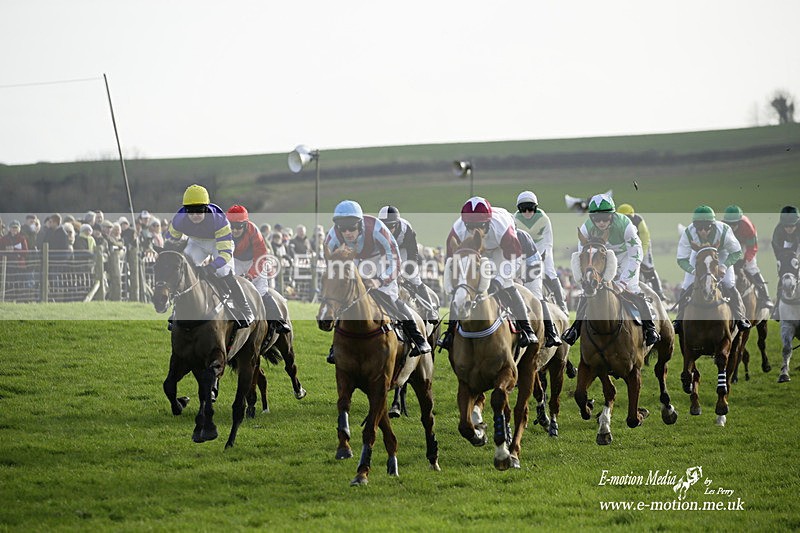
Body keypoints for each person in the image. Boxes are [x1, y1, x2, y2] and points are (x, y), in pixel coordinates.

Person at [324, 200, 431, 360]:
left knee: (389, 297)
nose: (347, 233)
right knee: (346, 300)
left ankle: (418, 338)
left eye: (352, 228)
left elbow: (395, 261)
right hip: (355, 259)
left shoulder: (377, 229)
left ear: (360, 224)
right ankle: (335, 346)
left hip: (381, 259)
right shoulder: (332, 237)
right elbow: (330, 265)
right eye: (342, 228)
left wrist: (379, 281)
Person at [438, 196, 537, 350]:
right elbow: (452, 262)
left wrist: (499, 280)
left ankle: (527, 330)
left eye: (480, 226)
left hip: (501, 249)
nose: (475, 231)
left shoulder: (503, 228)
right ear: (465, 224)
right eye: (470, 227)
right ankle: (450, 333)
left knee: (506, 285)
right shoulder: (457, 231)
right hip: (474, 249)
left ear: (488, 222)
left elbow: (514, 259)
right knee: (461, 290)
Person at [561, 193, 661, 347]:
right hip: (603, 258)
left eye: (605, 218)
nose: (601, 222)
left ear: (612, 215)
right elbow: (584, 257)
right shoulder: (586, 228)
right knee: (588, 292)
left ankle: (650, 328)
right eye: (597, 219)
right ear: (592, 218)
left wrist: (622, 283)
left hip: (627, 257)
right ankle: (575, 329)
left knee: (632, 288)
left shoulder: (626, 225)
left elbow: (636, 255)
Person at [165, 184, 254, 328]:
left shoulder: (219, 220)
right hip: (196, 242)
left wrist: (210, 267)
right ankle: (176, 312)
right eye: (190, 211)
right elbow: (169, 244)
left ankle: (245, 309)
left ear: (206, 209)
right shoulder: (178, 219)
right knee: (185, 270)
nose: (195, 215)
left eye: (199, 211)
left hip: (218, 243)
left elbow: (225, 254)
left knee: (223, 271)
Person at [672, 205, 751, 333]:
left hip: (721, 253)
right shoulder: (688, 233)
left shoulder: (724, 230)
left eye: (707, 227)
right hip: (698, 254)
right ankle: (679, 320)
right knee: (686, 284)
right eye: (699, 228)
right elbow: (681, 259)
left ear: (713, 225)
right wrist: (693, 271)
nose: (703, 231)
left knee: (728, 283)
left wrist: (724, 266)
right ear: (694, 226)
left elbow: (737, 252)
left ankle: (740, 317)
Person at [226, 204, 291, 334]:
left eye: (239, 227)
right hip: (235, 260)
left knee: (260, 291)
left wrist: (250, 275)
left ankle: (278, 320)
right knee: (229, 288)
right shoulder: (224, 230)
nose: (235, 230)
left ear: (245, 225)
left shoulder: (254, 231)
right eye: (232, 226)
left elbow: (261, 257)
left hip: (255, 261)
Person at [377, 205, 439, 321]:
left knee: (414, 278)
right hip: (386, 253)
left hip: (402, 250)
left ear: (397, 224)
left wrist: (410, 267)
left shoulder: (405, 228)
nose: (388, 230)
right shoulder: (376, 229)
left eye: (391, 226)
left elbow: (413, 249)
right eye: (385, 226)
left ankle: (431, 310)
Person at [514, 191, 569, 315]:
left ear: (535, 208)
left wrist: (543, 256)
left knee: (550, 271)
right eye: (523, 209)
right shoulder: (515, 219)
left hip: (541, 246)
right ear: (518, 209)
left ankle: (562, 304)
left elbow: (548, 242)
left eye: (530, 208)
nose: (527, 212)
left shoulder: (544, 219)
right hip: (523, 249)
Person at [721, 205, 774, 310]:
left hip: (746, 242)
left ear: (740, 222)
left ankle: (765, 297)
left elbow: (752, 248)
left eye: (734, 224)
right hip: (730, 244)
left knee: (751, 267)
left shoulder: (747, 226)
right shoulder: (722, 227)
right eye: (729, 224)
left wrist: (745, 260)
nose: (732, 226)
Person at [516, 228, 562, 347]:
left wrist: (522, 279)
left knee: (536, 297)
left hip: (531, 269)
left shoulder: (522, 237)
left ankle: (551, 333)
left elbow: (535, 266)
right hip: (507, 269)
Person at [616, 203, 667, 301]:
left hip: (642, 244)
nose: (627, 220)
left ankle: (659, 291)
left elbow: (645, 238)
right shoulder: (615, 223)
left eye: (629, 217)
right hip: (625, 247)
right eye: (624, 217)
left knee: (648, 266)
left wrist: (641, 255)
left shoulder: (639, 220)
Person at [771, 205, 800, 319]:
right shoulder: (778, 230)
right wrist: (783, 263)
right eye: (786, 226)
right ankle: (777, 307)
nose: (789, 229)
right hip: (787, 247)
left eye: (792, 226)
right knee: (785, 274)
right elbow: (777, 250)